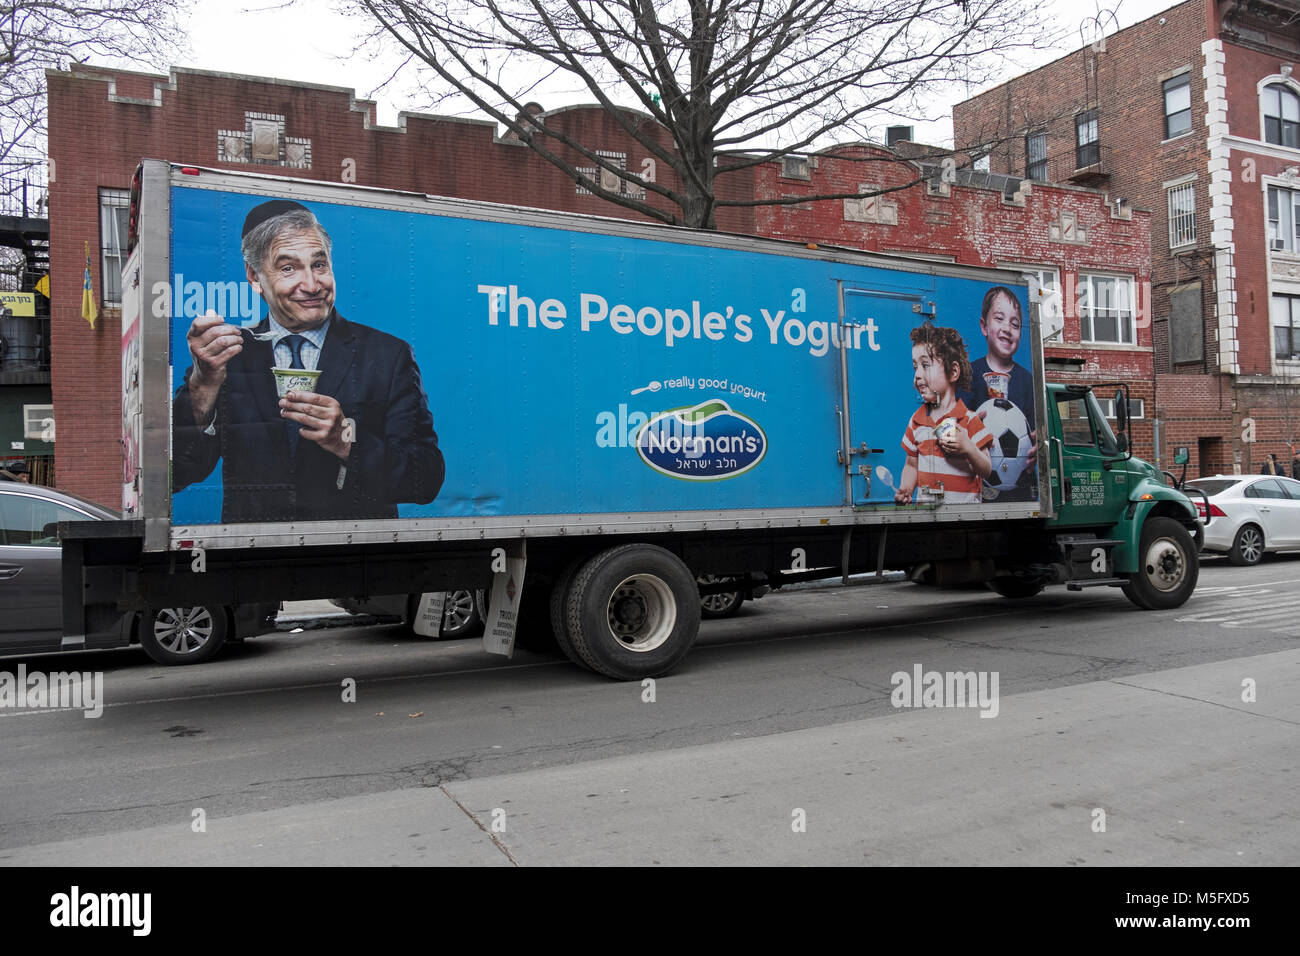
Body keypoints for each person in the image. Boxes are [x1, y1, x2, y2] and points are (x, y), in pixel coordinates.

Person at [172, 200, 444, 523]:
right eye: (288, 268)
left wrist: (346, 440)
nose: (312, 285)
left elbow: (426, 478)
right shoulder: (227, 359)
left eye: (319, 265)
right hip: (252, 564)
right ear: (255, 276)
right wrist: (203, 385)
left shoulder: (388, 355)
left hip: (356, 564)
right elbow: (177, 472)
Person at [895, 323, 993, 505]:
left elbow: (986, 469)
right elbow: (911, 465)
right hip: (926, 519)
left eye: (925, 365)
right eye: (915, 366)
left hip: (965, 519)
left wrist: (968, 447)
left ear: (953, 372)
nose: (917, 374)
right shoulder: (916, 421)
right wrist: (906, 489)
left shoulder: (969, 420)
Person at [958, 285, 1037, 500]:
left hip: (1020, 489)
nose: (1007, 328)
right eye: (999, 319)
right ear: (984, 326)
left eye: (1015, 324)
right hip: (978, 488)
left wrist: (1037, 445)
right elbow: (953, 422)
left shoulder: (1027, 379)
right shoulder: (969, 374)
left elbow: (1035, 429)